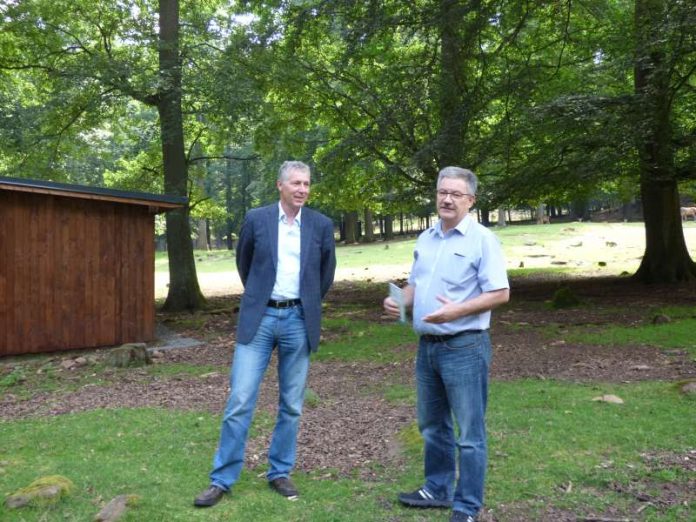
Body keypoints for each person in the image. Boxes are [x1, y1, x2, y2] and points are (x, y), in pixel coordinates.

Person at [194, 160, 336, 508]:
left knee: (291, 403)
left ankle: (279, 471)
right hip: (259, 318)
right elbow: (245, 263)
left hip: (298, 321)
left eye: (307, 184)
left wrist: (306, 304)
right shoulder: (257, 219)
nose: (302, 189)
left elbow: (326, 273)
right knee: (240, 400)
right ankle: (222, 479)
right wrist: (260, 297)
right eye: (296, 184)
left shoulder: (320, 224)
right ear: (280, 186)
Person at [383, 166, 509, 522]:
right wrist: (400, 301)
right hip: (428, 347)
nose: (447, 199)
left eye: (455, 194)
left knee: (469, 433)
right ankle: (437, 488)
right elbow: (415, 286)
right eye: (442, 192)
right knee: (432, 424)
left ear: (470, 200)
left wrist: (457, 312)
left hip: (465, 347)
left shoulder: (483, 240)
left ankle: (467, 506)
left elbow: (500, 293)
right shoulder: (427, 238)